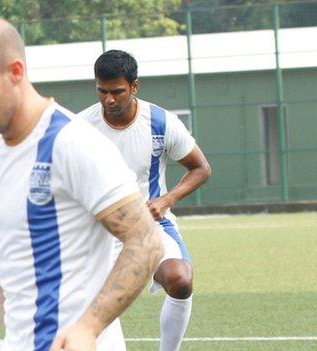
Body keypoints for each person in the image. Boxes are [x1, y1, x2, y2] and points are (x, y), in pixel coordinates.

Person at [0, 15, 164, 351]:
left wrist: (88, 328)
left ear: (15, 72)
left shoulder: (73, 144)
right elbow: (14, 246)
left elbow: (145, 241)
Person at [78, 49, 212, 351]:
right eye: (102, 91)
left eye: (117, 91)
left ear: (134, 87)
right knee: (91, 306)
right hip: (99, 232)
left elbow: (201, 168)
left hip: (151, 225)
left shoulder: (161, 122)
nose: (108, 100)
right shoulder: (81, 128)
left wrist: (167, 199)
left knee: (180, 279)